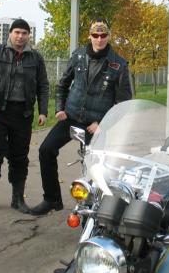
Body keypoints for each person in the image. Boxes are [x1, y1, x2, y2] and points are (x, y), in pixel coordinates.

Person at [30, 19, 132, 216]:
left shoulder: (118, 64)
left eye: (103, 35)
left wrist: (103, 124)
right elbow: (62, 85)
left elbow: (124, 104)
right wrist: (60, 109)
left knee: (96, 167)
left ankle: (94, 208)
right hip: (71, 117)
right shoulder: (78, 56)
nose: (99, 39)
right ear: (89, 36)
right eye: (95, 35)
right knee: (46, 150)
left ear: (109, 36)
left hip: (96, 125)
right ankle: (52, 199)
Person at [0, 18, 49, 213]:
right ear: (10, 33)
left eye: (24, 33)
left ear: (29, 36)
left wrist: (43, 111)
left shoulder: (35, 58)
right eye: (17, 32)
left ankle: (17, 198)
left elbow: (43, 85)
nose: (20, 36)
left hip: (23, 114)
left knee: (19, 157)